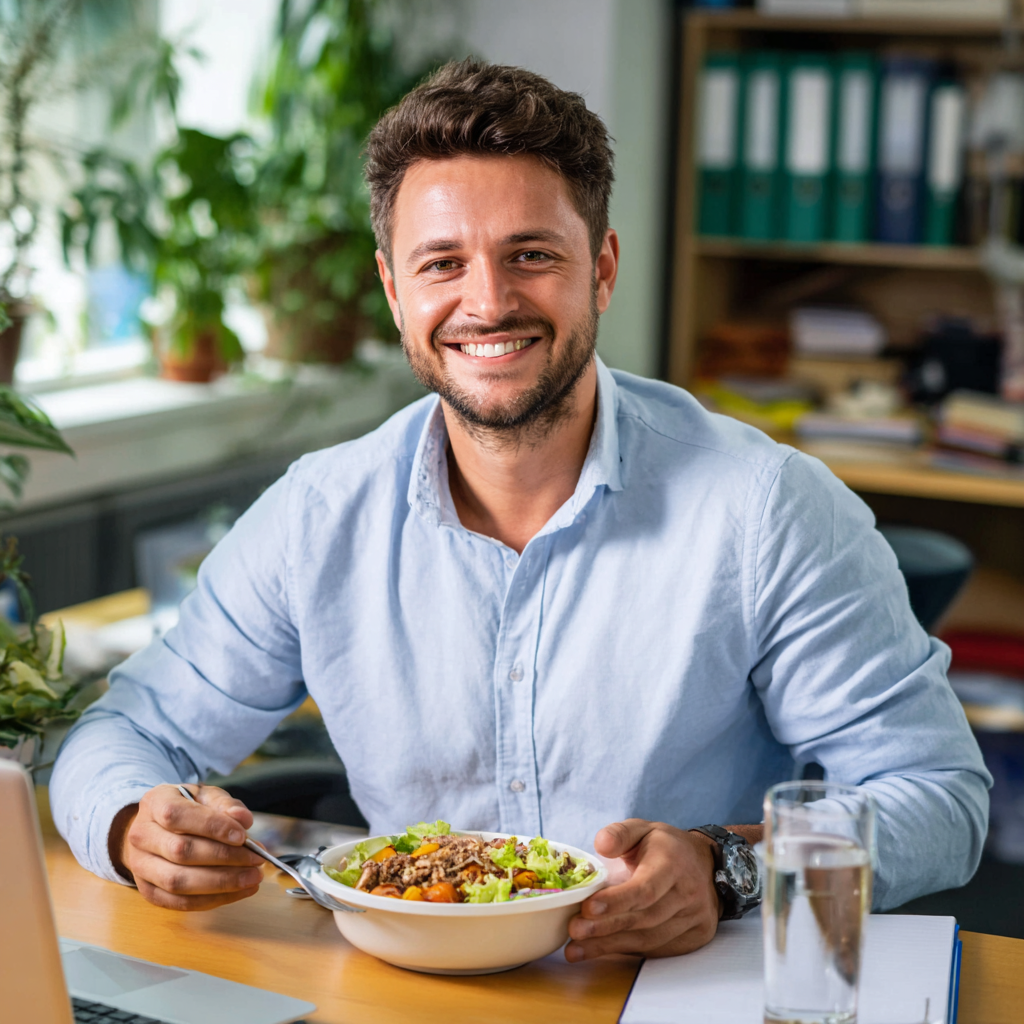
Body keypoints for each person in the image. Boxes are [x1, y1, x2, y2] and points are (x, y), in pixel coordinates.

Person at [51, 60, 989, 963]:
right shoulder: (318, 514)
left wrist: (729, 866)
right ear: (392, 289)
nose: (487, 303)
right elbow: (124, 733)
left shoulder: (765, 508)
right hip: (401, 990)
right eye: (442, 263)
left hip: (667, 990)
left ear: (602, 268)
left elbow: (939, 798)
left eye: (531, 255)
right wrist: (135, 821)